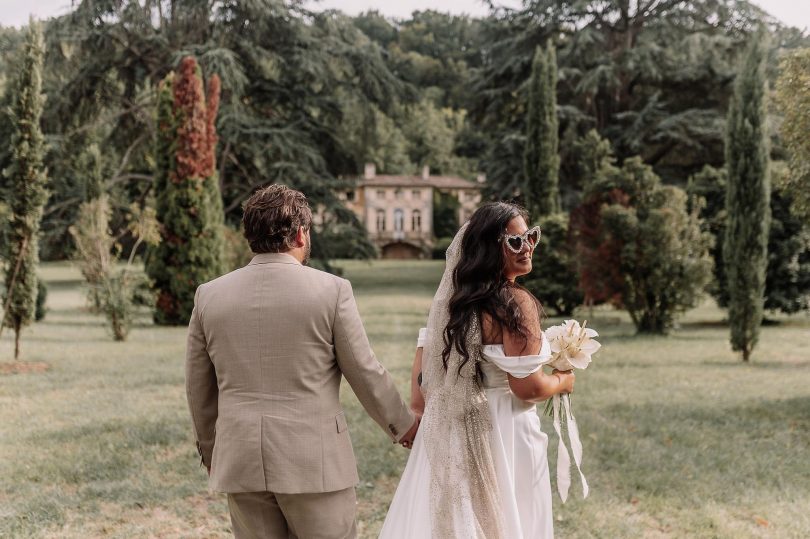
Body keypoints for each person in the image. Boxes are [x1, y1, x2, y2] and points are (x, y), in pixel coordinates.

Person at [185, 184, 419, 538]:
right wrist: (404, 425)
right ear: (300, 233)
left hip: (241, 460)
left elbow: (198, 389)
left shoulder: (209, 295)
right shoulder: (332, 291)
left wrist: (213, 451)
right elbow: (364, 371)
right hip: (315, 462)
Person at [380, 201, 576, 538]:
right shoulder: (515, 303)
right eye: (514, 241)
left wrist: (418, 408)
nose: (527, 246)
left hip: (451, 428)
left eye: (531, 236)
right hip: (506, 432)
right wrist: (562, 380)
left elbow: (424, 355)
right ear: (489, 248)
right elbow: (527, 388)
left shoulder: (454, 301)